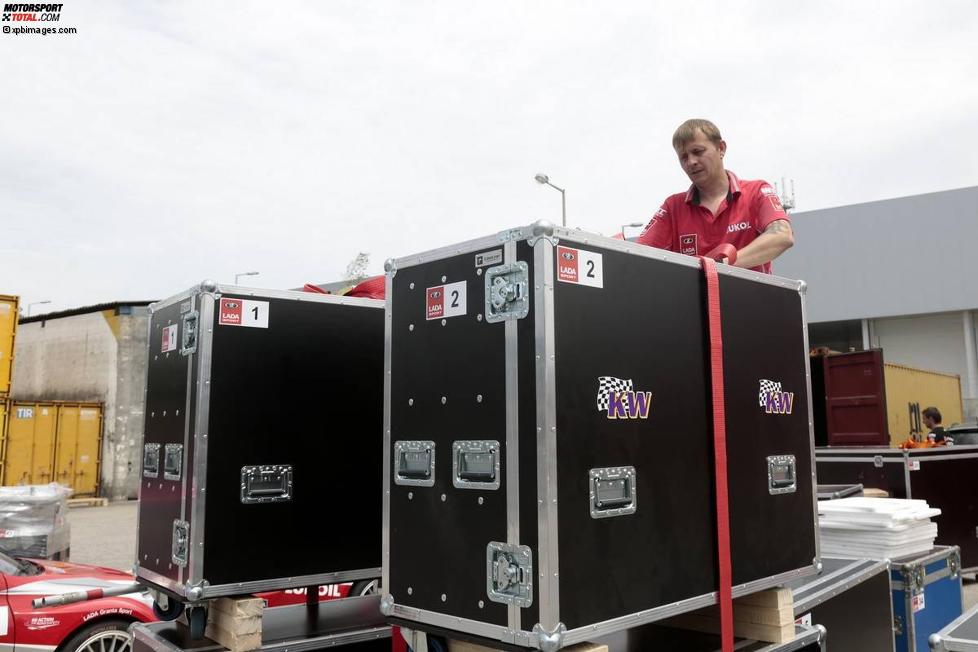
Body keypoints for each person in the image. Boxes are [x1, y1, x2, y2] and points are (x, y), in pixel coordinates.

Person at [637, 119, 794, 274]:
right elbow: (639, 255)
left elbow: (782, 235)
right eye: (683, 157)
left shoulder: (757, 191)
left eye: (698, 152)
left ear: (721, 148)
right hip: (694, 300)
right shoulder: (673, 207)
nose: (691, 162)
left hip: (752, 298)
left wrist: (721, 266)